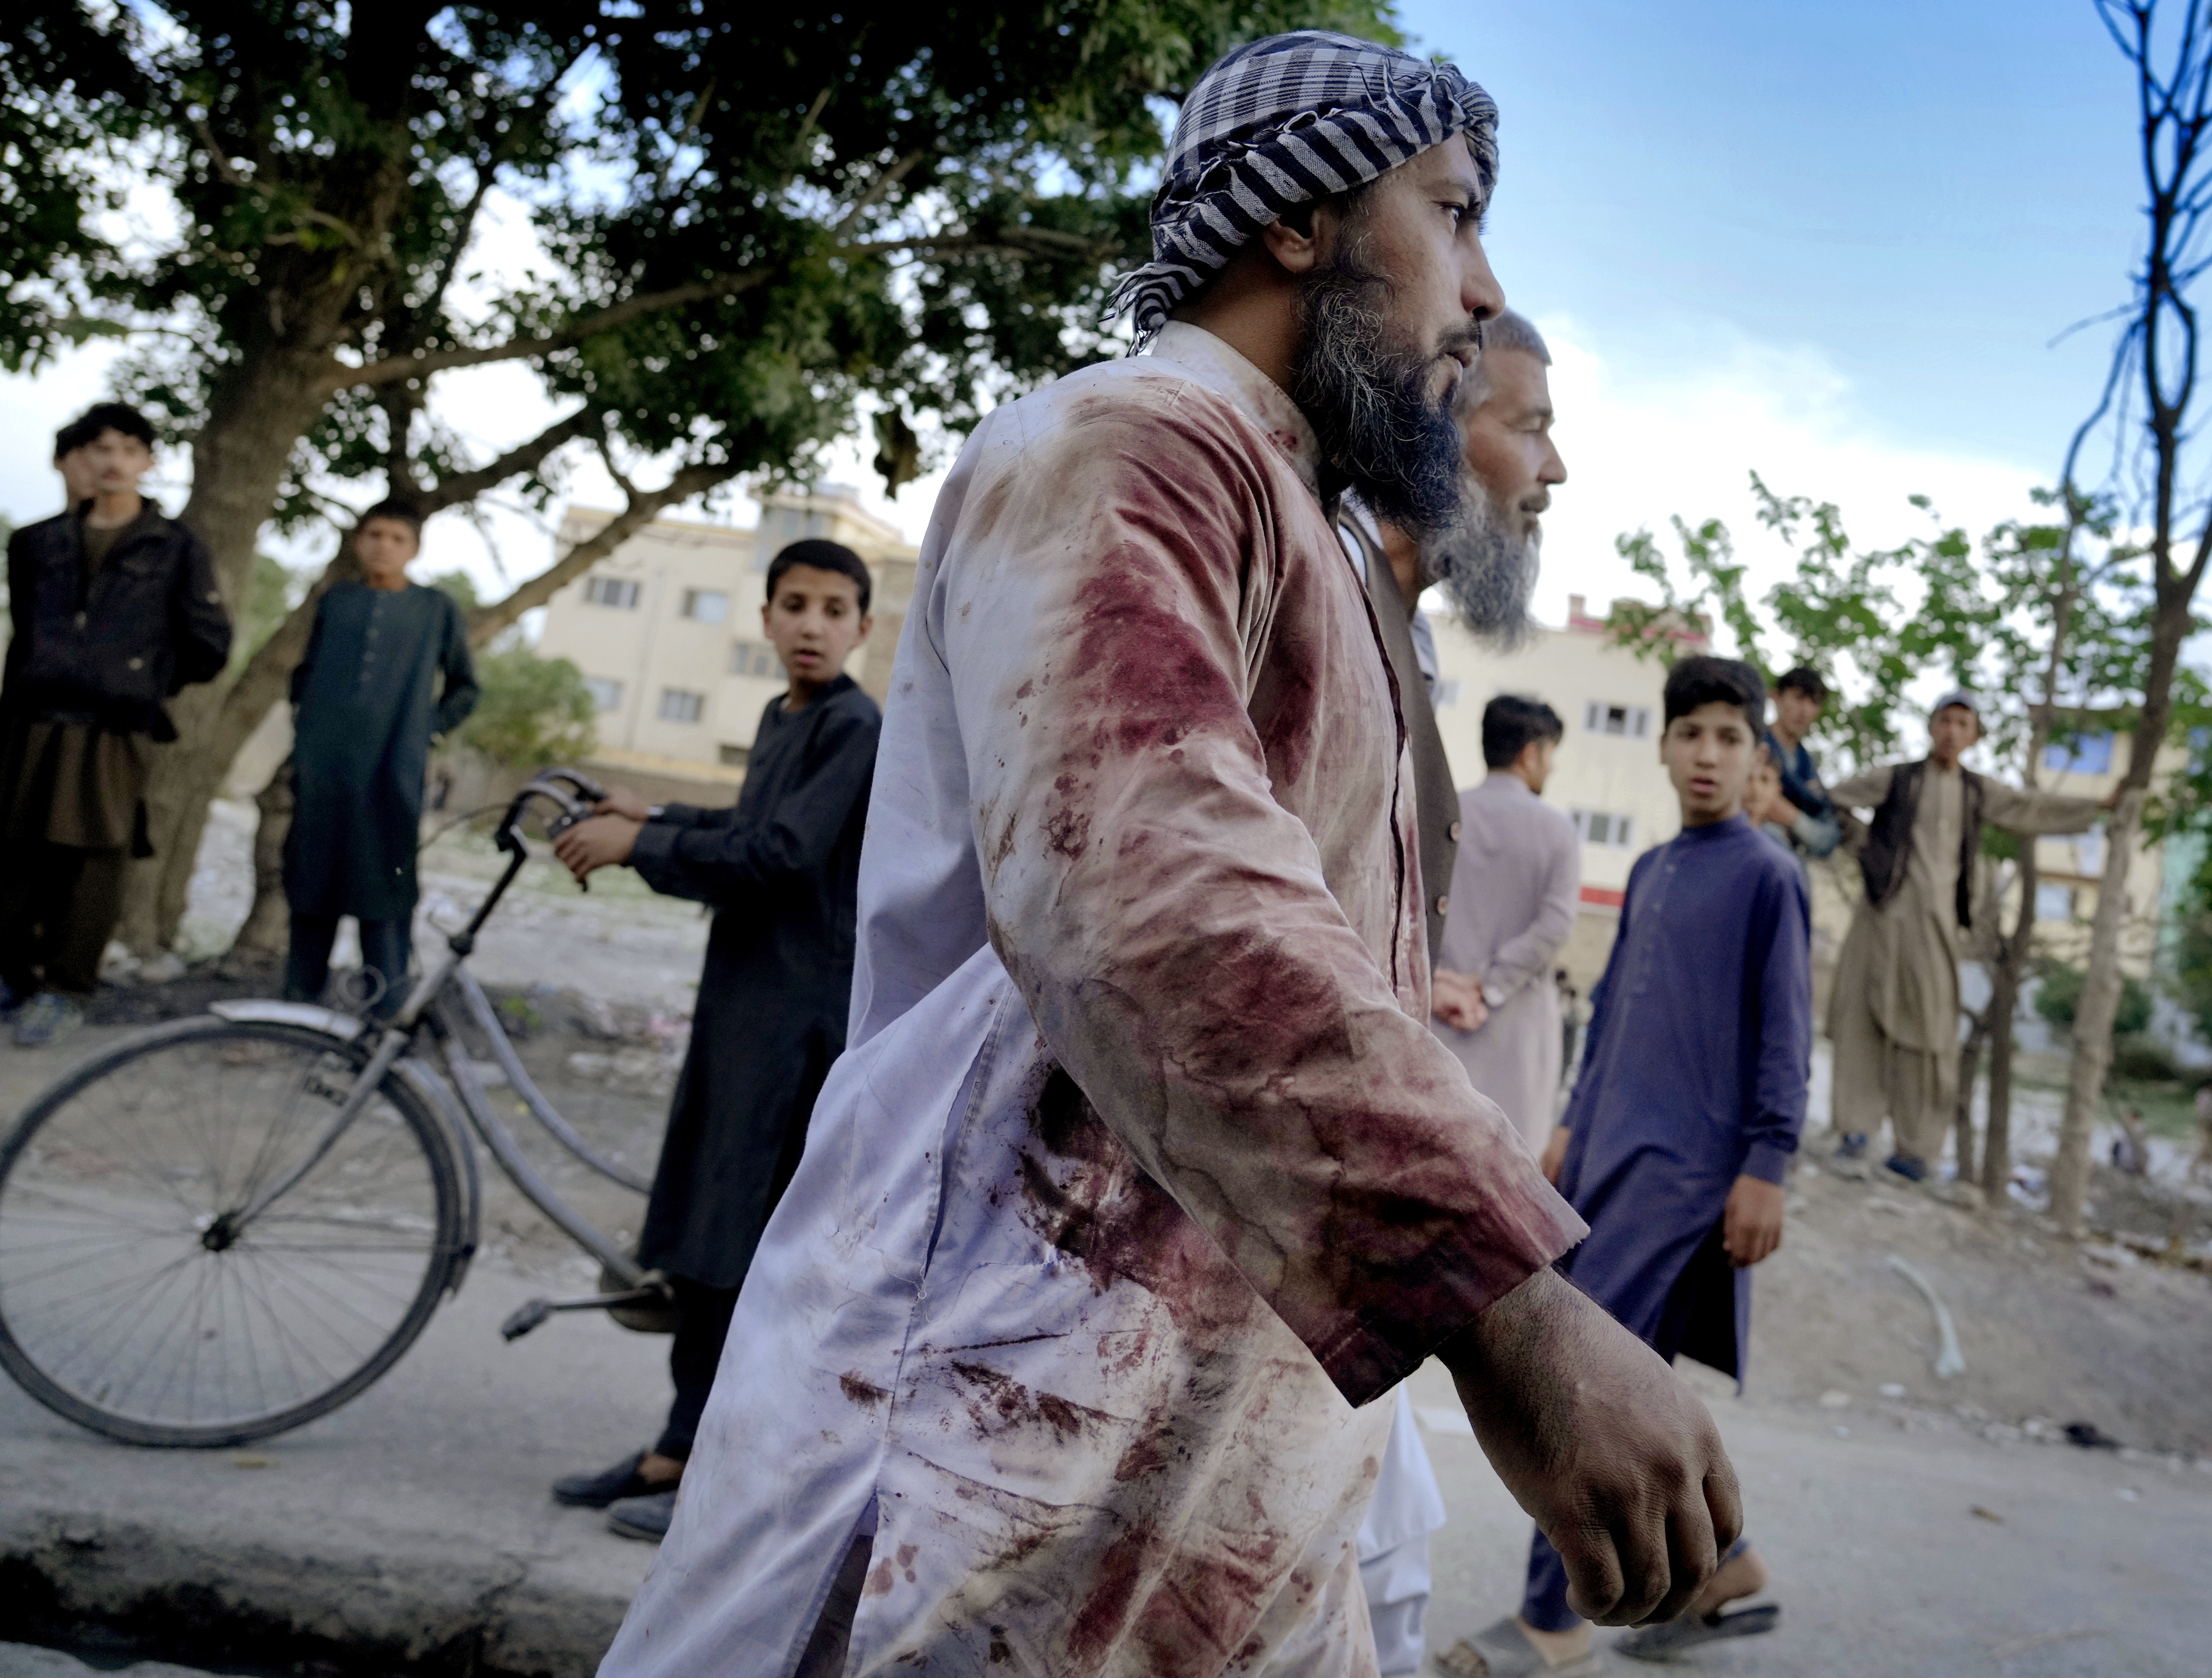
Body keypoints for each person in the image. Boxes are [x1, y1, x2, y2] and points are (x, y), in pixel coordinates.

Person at [596, 34, 1740, 1678]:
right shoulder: (1134, 449)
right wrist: (1517, 1316)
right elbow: (1154, 903)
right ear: (1300, 221)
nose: (1484, 290)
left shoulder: (1303, 528)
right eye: (1457, 211)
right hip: (989, 1446)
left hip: (1198, 1463)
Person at [1445, 655, 1806, 1677]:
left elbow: (1785, 1034)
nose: (1706, 754)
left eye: (1729, 738)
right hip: (1605, 1158)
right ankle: (1723, 1563)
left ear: (1755, 755)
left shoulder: (1769, 877)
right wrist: (1568, 1125)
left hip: (1690, 1175)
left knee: (1573, 1379)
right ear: (1660, 745)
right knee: (1616, 1373)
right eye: (1689, 732)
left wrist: (1767, 1164)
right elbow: (1611, 1016)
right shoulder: (1650, 868)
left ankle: (1555, 1619)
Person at [546, 540, 883, 1542]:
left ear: (864, 626)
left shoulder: (855, 726)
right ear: (769, 618)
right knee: (706, 1242)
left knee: (746, 1253)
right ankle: (674, 1447)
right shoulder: (784, 717)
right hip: (742, 1010)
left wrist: (641, 847)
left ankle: (722, 1479)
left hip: (796, 1023)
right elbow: (748, 818)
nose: (813, 624)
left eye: (834, 607)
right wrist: (654, 813)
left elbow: (780, 855)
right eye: (795, 605)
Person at [1344, 308, 1568, 1677]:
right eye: (1532, 428)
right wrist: (1508, 1314)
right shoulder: (1301, 588)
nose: (1555, 476)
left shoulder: (1405, 646)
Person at [1338, 306, 1567, 963]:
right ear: (1438, 422)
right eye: (1532, 428)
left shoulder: (1419, 645)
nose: (1554, 469)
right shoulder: (1317, 573)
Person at [0, 403, 231, 1046]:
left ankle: (66, 988)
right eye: (101, 448)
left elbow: (209, 643)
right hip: (33, 716)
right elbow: (27, 632)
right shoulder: (37, 542)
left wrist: (139, 678)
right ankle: (13, 973)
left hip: (113, 725)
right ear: (85, 458)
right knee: (16, 852)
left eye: (129, 450)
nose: (113, 462)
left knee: (93, 860)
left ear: (148, 462)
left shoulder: (175, 547)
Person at [1825, 692, 2113, 1184]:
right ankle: (1855, 1132)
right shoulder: (1896, 779)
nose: (1952, 731)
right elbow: (1832, 800)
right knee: (1860, 1021)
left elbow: (2029, 809)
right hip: (1881, 918)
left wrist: (2097, 808)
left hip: (1937, 930)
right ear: (1931, 726)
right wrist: (1863, 846)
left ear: (1974, 735)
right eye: (1945, 720)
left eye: (1963, 723)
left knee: (1933, 1035)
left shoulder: (1978, 791)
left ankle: (1915, 1150)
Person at [279, 500, 478, 1012]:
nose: (383, 546)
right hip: (324, 772)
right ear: (357, 542)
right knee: (312, 879)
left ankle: (386, 1012)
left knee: (383, 887)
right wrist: (309, 734)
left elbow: (465, 688)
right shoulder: (336, 601)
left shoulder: (435, 609)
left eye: (396, 538)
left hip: (391, 776)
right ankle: (297, 1005)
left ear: (413, 549)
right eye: (374, 535)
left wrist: (423, 731)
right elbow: (304, 674)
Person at [1432, 695, 1582, 1157]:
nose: (1551, 768)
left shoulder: (1443, 813)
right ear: (1531, 754)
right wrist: (1490, 983)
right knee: (1506, 1174)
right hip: (1517, 1028)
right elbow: (1555, 924)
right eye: (1551, 754)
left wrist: (1442, 981)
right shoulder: (1558, 829)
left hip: (1435, 1019)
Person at [1764, 666, 1839, 860]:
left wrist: (1792, 818)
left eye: (1814, 702)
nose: (1805, 710)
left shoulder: (1808, 767)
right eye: (1798, 698)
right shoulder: (1752, 744)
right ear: (1776, 697)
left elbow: (1829, 837)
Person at [2189, 1082, 2212, 1186]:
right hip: (2206, 1125)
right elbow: (2203, 1112)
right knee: (2203, 1148)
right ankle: (2193, 1169)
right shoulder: (2205, 1096)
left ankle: (2207, 1174)